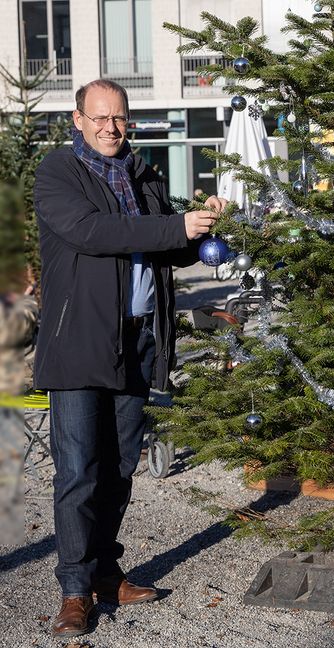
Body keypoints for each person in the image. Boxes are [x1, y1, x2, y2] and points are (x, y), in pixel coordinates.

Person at [32, 79, 227, 639]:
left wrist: (201, 229)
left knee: (119, 469)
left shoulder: (143, 176)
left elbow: (165, 244)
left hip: (138, 341)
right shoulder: (58, 174)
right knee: (77, 472)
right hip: (80, 346)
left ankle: (106, 571)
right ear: (77, 120)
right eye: (98, 118)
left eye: (117, 118)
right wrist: (174, 226)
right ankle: (74, 589)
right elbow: (92, 232)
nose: (109, 128)